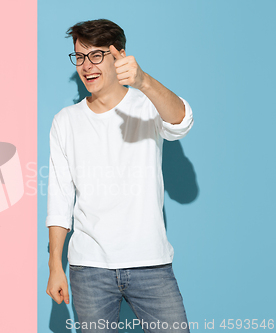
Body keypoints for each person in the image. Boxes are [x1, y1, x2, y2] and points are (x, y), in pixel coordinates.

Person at [45, 19, 194, 333]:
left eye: (97, 55)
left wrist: (144, 82)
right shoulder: (66, 121)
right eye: (80, 57)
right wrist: (55, 265)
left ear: (119, 55)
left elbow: (182, 122)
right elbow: (59, 197)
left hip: (150, 261)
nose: (87, 65)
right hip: (89, 268)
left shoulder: (146, 105)